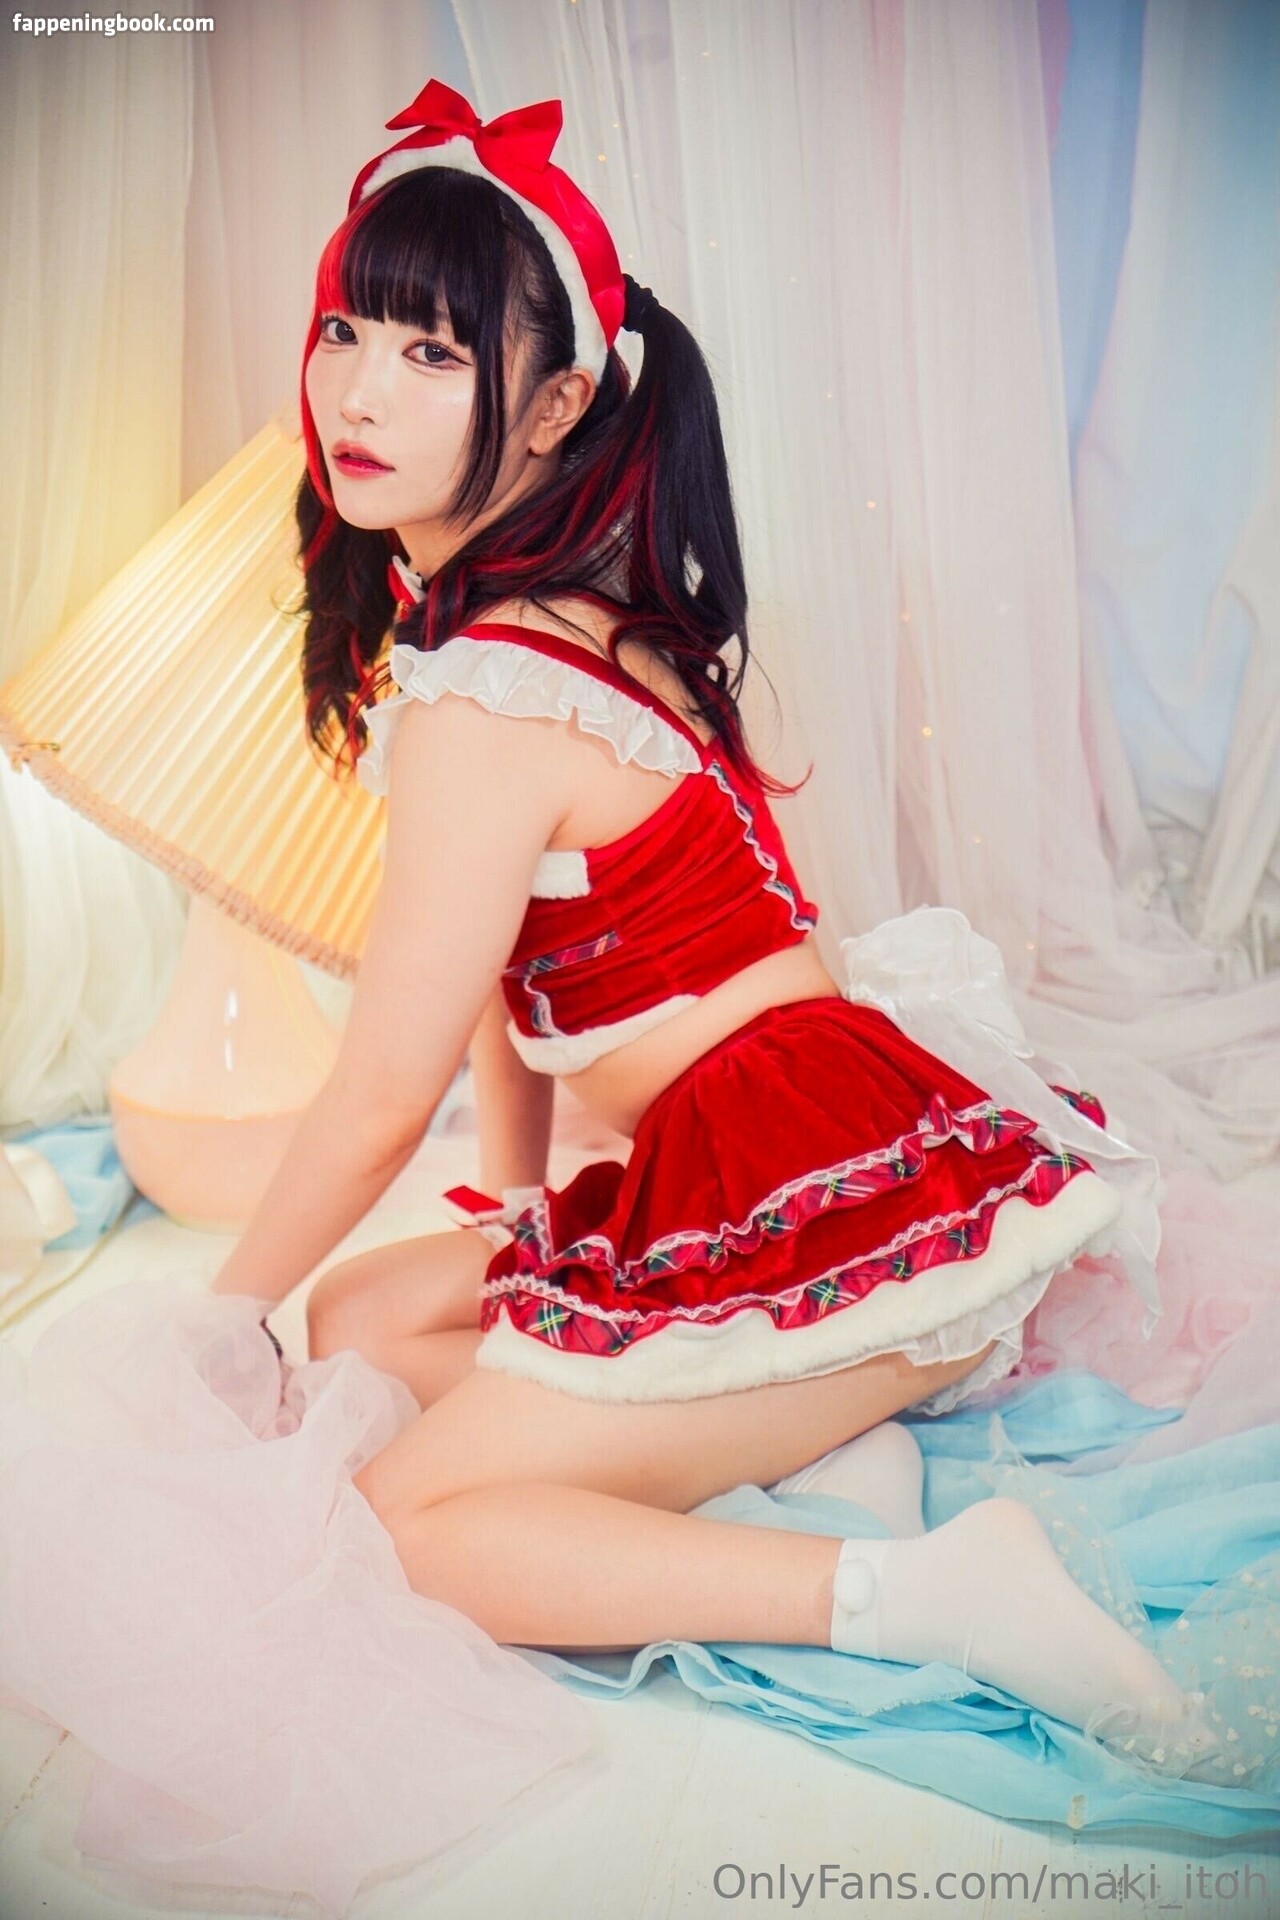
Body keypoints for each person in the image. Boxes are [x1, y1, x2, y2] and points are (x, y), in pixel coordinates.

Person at [0, 76, 1248, 1920]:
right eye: (345, 329)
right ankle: (805, 1457)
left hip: (805, 1170)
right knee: (367, 1317)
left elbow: (379, 1087)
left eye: (432, 354)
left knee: (410, 1524)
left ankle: (912, 1587)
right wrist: (519, 1217)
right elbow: (512, 997)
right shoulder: (556, 629)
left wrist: (217, 1311)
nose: (357, 393)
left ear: (556, 405)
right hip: (808, 1145)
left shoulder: (491, 695)